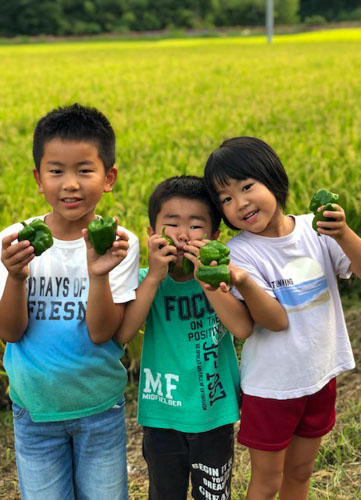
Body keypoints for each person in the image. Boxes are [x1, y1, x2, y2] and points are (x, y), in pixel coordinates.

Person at [203, 136, 361, 500]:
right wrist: (242, 281)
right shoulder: (238, 255)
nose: (241, 203)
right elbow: (273, 320)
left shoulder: (318, 230)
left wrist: (343, 233)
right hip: (272, 388)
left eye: (247, 186)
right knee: (267, 482)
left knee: (301, 472)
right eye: (227, 199)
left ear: (273, 178)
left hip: (318, 375)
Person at [0, 103, 139, 500]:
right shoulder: (14, 241)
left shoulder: (118, 244)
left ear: (108, 178)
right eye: (56, 171)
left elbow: (101, 333)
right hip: (34, 411)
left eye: (84, 170)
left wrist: (98, 273)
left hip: (99, 409)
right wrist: (14, 277)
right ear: (38, 179)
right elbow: (9, 331)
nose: (70, 184)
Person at [116, 175, 255, 500]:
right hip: (161, 413)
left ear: (216, 237)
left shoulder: (221, 282)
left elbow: (242, 329)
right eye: (172, 224)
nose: (182, 234)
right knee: (165, 493)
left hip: (213, 412)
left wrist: (207, 277)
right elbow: (123, 333)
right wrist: (153, 276)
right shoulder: (146, 281)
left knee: (213, 494)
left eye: (195, 226)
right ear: (151, 233)